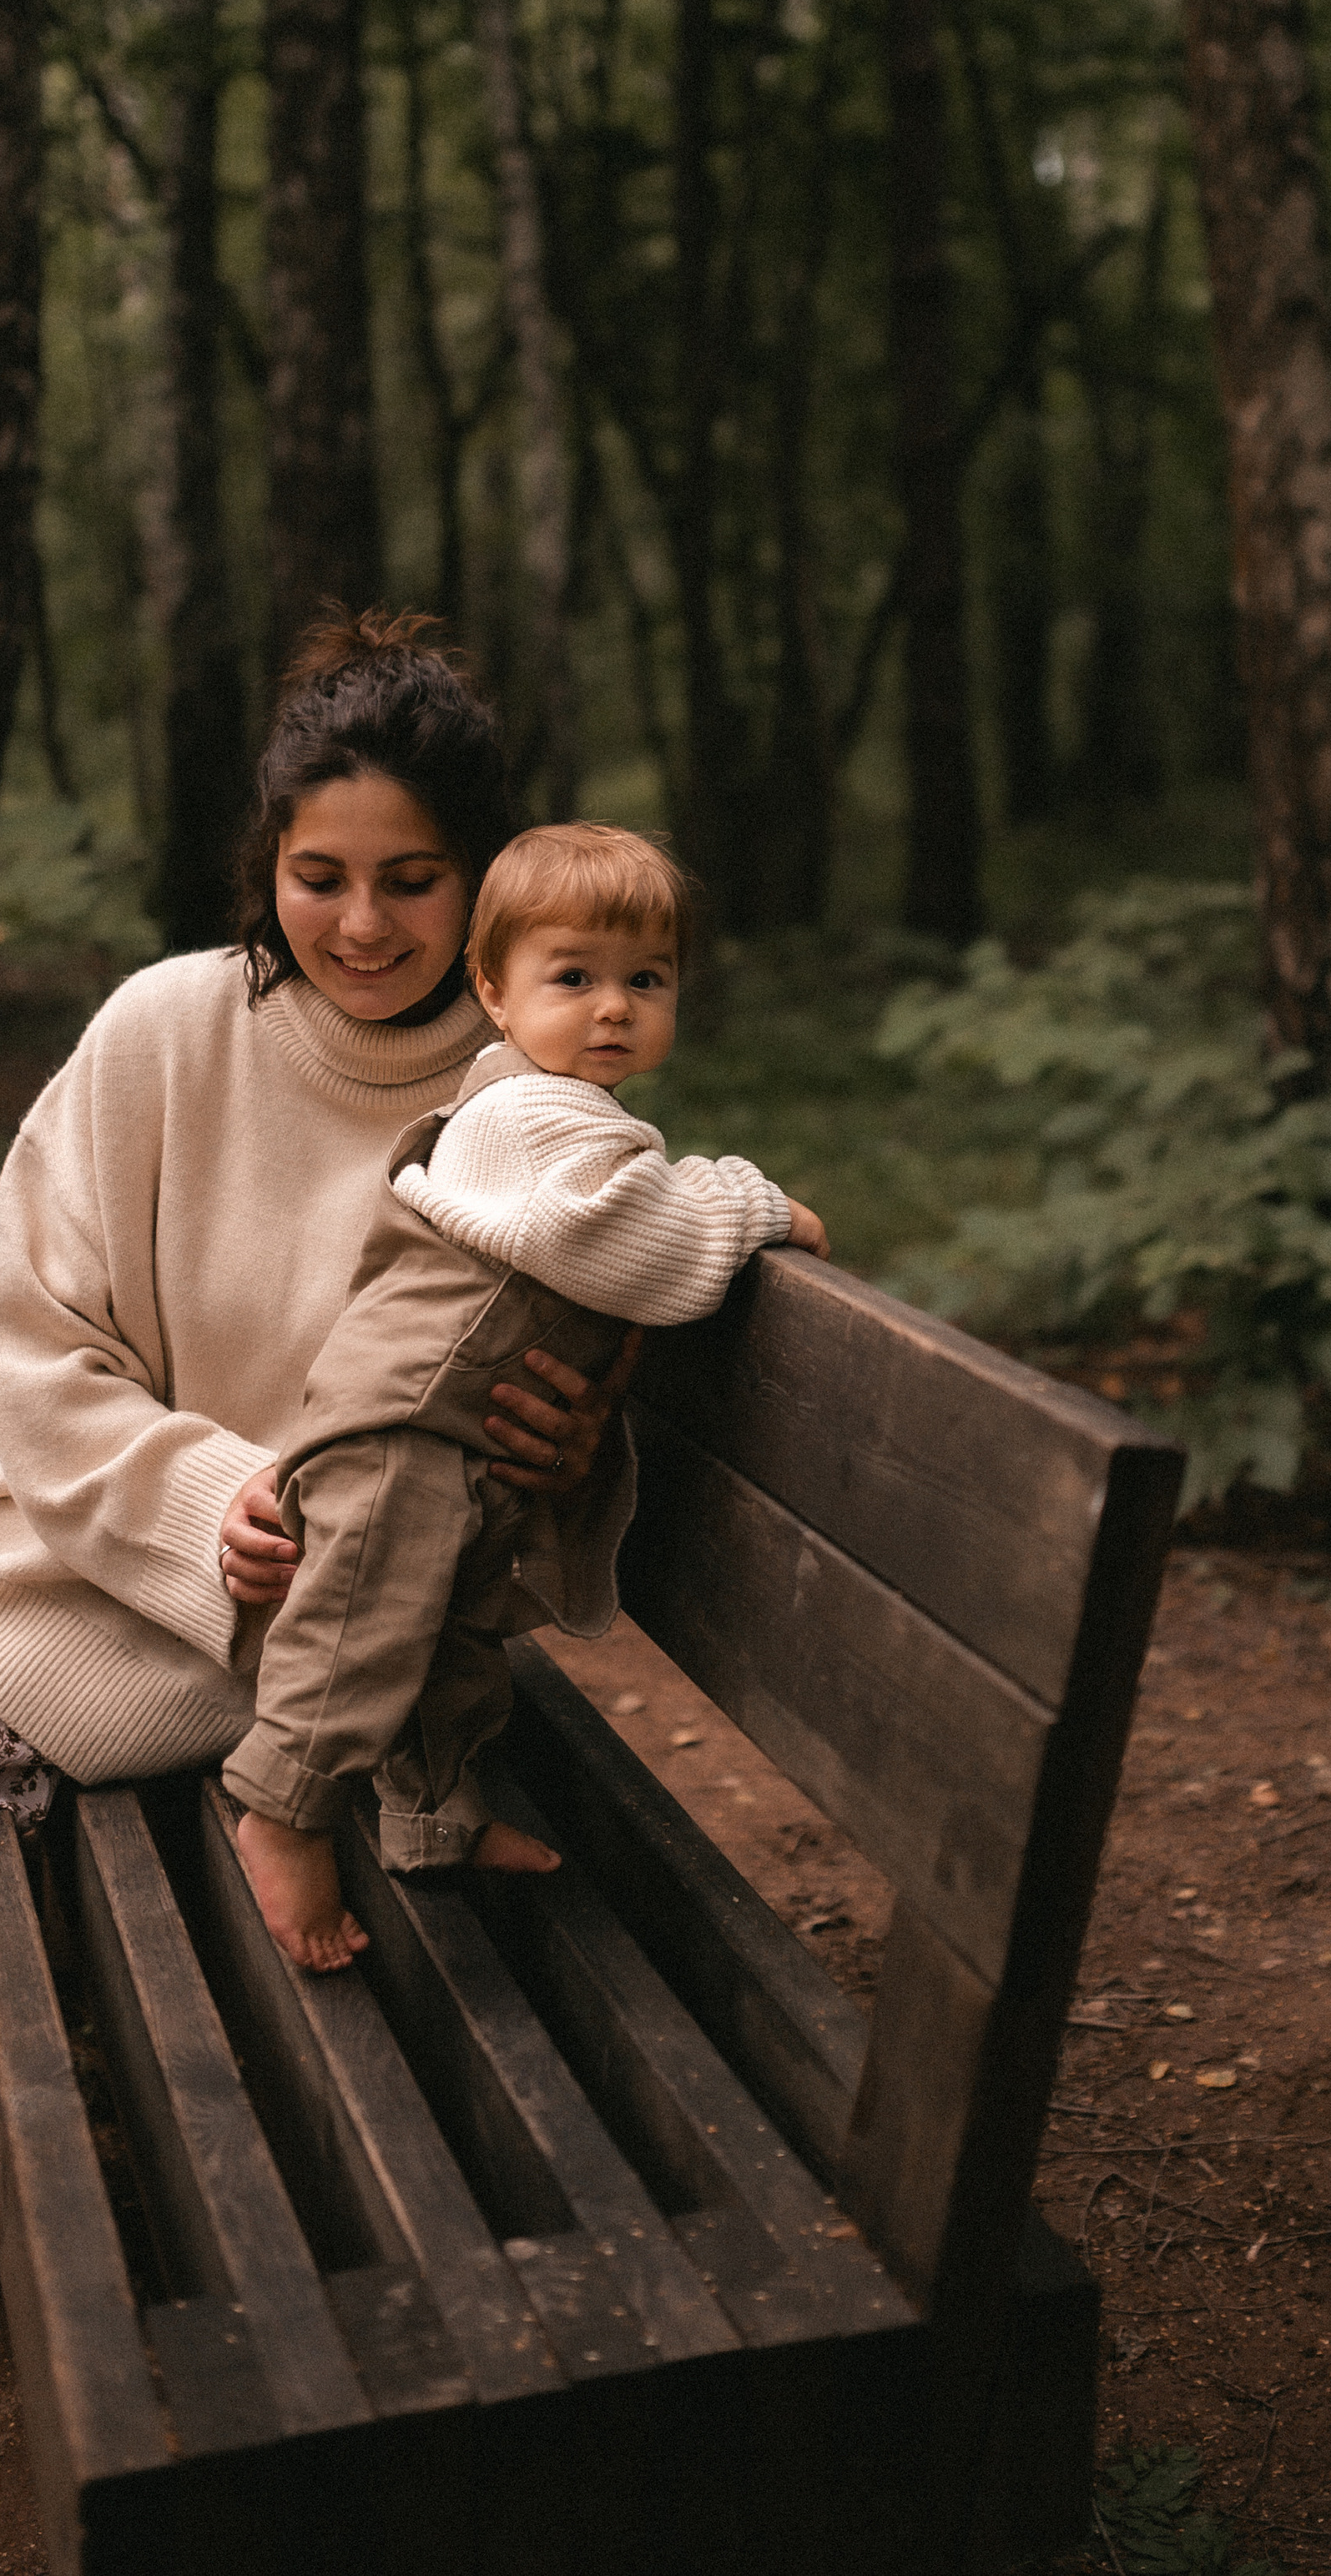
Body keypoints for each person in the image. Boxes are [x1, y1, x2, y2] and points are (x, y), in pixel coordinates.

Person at [0, 611, 616, 2314]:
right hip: (81, 1506)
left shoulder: (528, 1100)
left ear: (485, 881)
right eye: (319, 872)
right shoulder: (166, 1026)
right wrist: (196, 1491)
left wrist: (580, 1436)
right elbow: (28, 1326)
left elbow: (565, 1381)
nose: (360, 923)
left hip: (301, 1622)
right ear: (262, 862)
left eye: (412, 879)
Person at [224, 822, 829, 1972]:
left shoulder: (559, 1110)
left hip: (443, 1429)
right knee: (362, 1624)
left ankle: (432, 1816)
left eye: (644, 979)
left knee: (444, 1638)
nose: (613, 1006)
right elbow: (623, 1242)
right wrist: (750, 1202)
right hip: (403, 1426)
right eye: (575, 976)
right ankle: (283, 1806)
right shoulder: (527, 1117)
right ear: (493, 990)